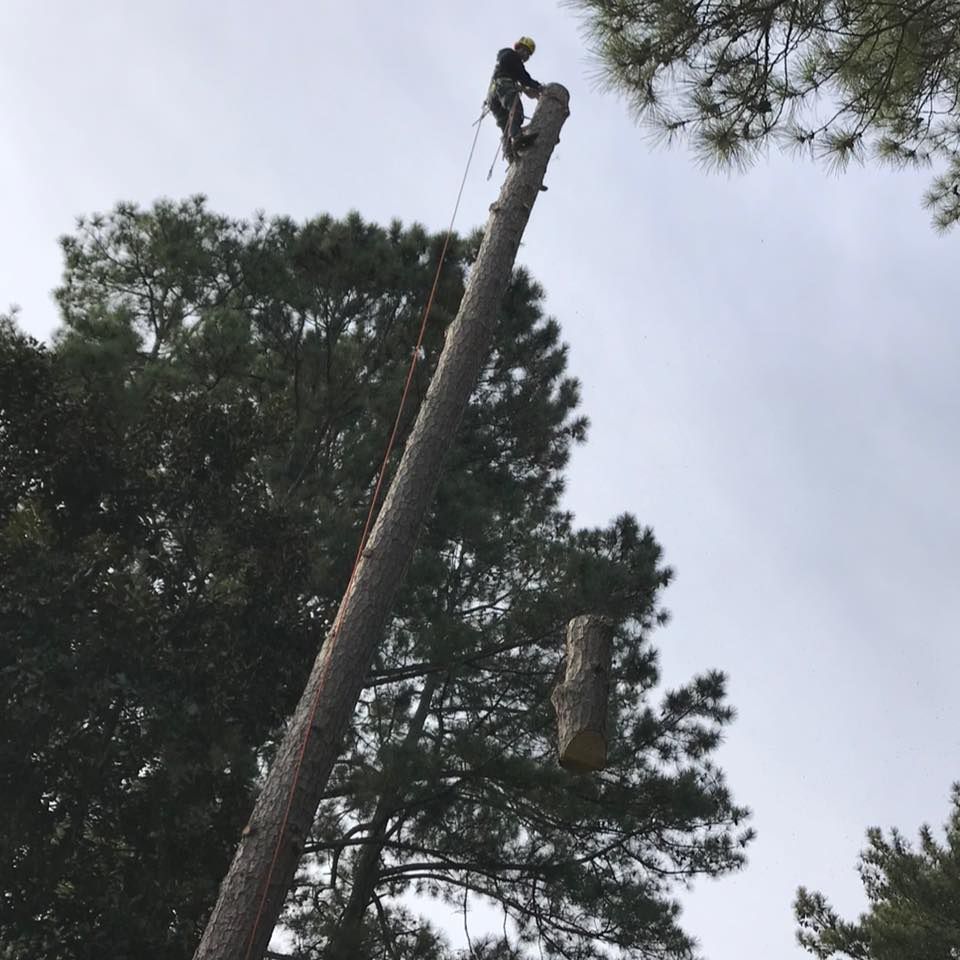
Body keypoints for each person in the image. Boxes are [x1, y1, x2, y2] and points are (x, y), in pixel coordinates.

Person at [487, 36, 542, 161]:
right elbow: (524, 78)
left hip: (493, 97)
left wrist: (533, 91)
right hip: (502, 87)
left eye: (528, 54)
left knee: (506, 124)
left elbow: (523, 81)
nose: (526, 55)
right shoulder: (511, 56)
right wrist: (539, 87)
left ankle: (510, 154)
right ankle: (517, 139)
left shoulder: (510, 65)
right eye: (525, 50)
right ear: (518, 48)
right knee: (516, 110)